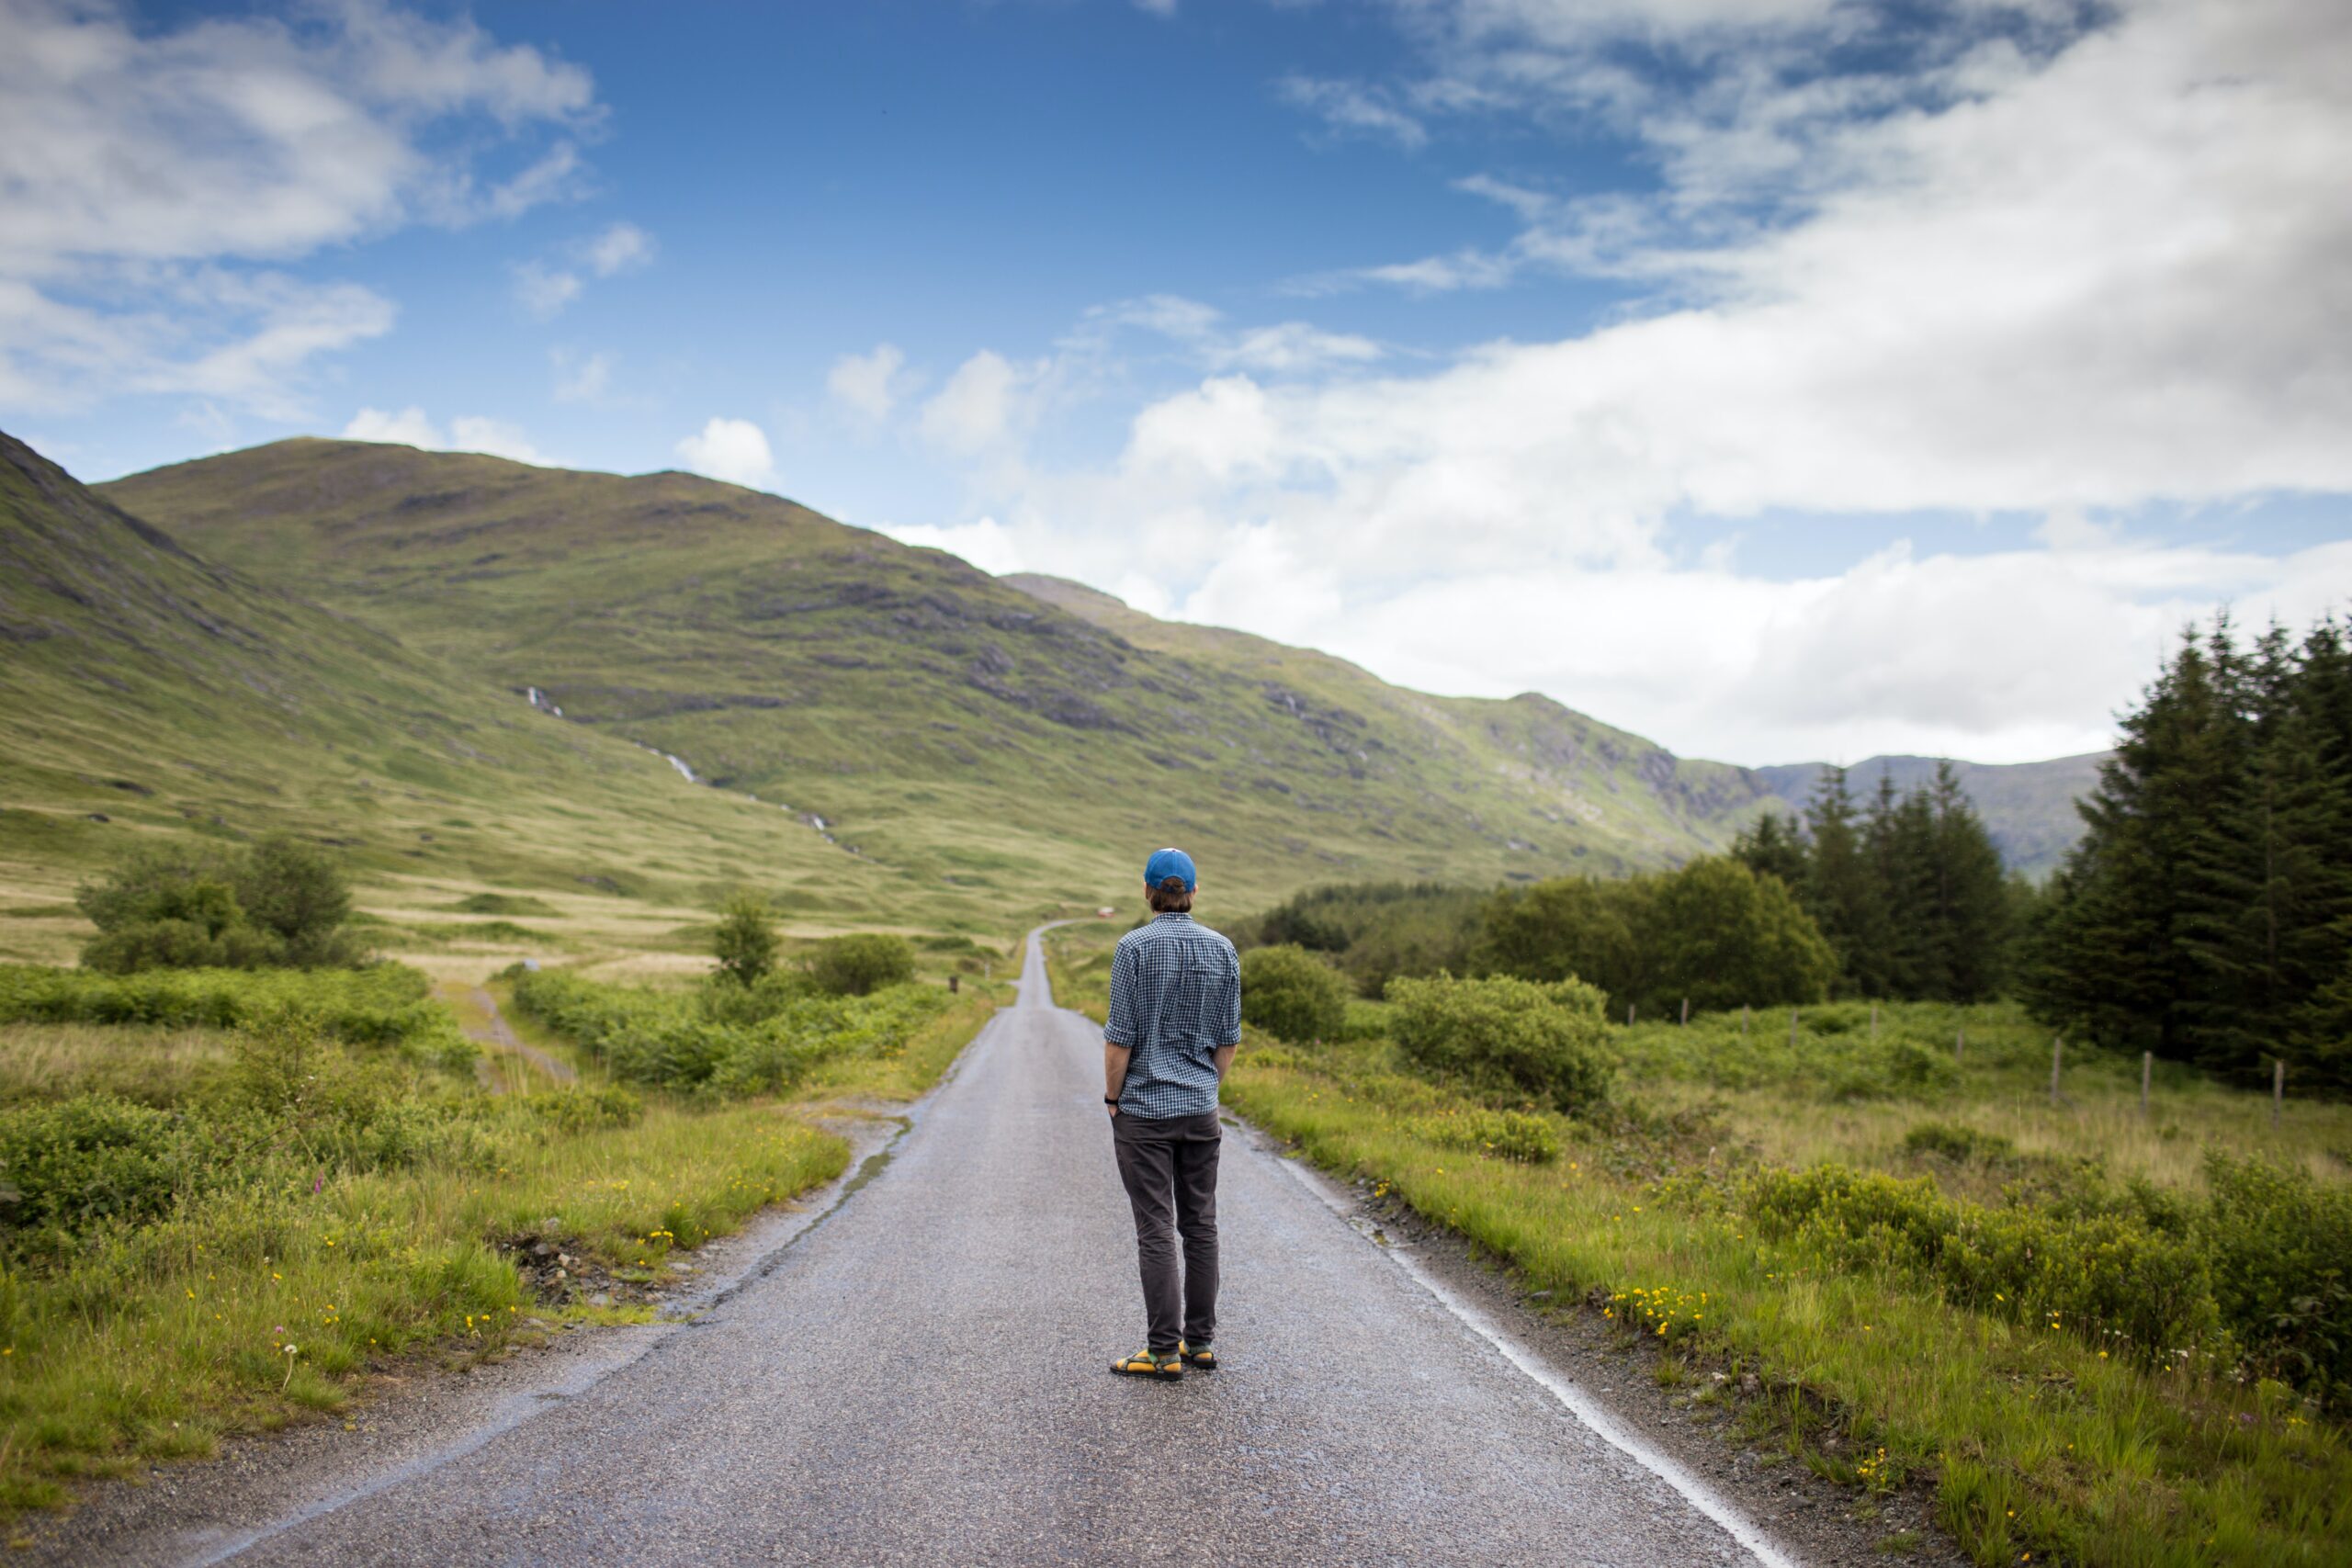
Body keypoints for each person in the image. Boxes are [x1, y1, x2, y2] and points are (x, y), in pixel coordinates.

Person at [1103, 847, 1241, 1380]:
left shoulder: (1133, 948)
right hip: (1199, 1108)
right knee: (1200, 1225)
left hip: (1143, 1110)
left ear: (1146, 891)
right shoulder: (1223, 949)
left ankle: (1162, 1351)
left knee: (1156, 1227)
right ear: (1193, 892)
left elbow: (1120, 1042)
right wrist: (1204, 1089)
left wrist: (1113, 1099)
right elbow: (1227, 1042)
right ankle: (1199, 1343)